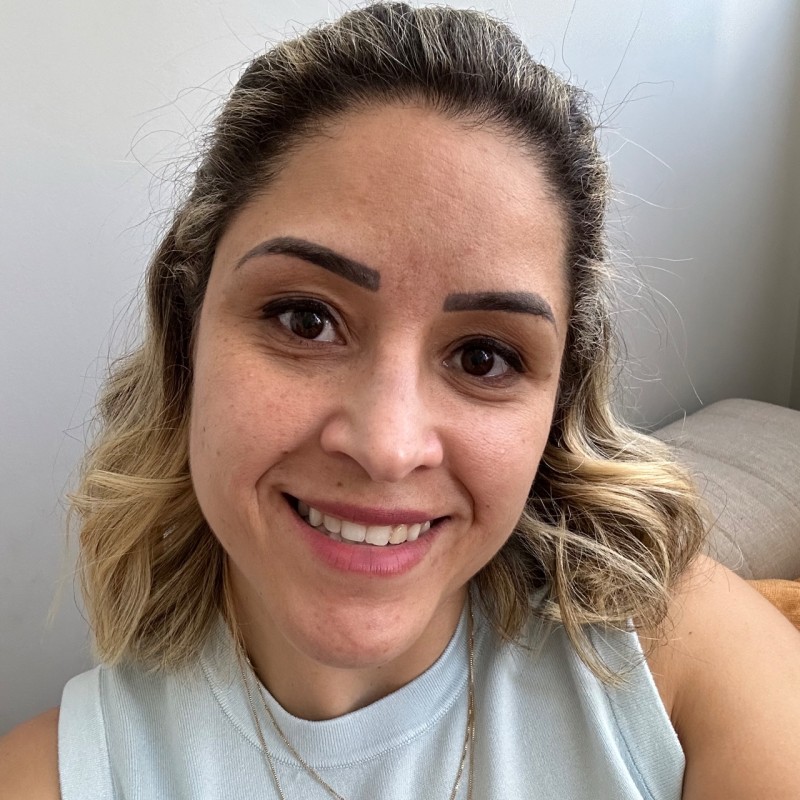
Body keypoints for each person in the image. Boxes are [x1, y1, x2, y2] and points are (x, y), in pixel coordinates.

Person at [2, 3, 799, 798]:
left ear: (555, 410)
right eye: (305, 320)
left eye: (483, 357)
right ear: (188, 335)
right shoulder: (57, 777)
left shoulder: (682, 661)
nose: (387, 445)